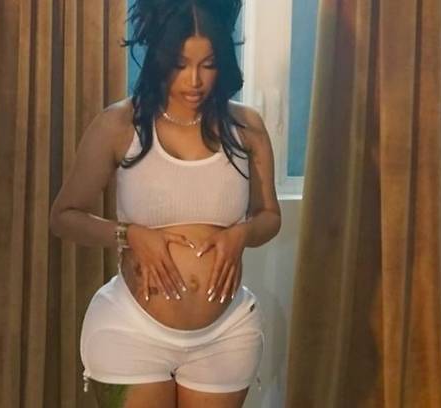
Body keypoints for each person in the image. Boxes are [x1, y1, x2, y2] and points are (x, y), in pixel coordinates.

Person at [49, 0, 281, 406]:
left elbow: (270, 217)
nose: (195, 80)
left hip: (226, 335)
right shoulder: (119, 125)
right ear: (159, 59)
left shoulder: (247, 127)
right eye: (180, 64)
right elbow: (64, 217)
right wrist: (130, 235)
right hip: (131, 332)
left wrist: (241, 235)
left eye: (208, 65)